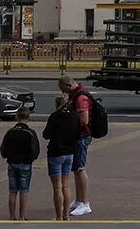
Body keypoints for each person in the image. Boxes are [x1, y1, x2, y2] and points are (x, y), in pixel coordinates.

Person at [59, 75, 93, 216]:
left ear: (68, 85)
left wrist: (69, 126)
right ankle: (79, 201)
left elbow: (84, 120)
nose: (63, 93)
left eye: (63, 90)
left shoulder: (80, 98)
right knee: (76, 168)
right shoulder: (76, 95)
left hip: (82, 136)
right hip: (77, 137)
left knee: (80, 168)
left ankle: (85, 203)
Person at [42, 94, 80, 221]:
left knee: (57, 187)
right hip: (70, 153)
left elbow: (46, 134)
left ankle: (59, 216)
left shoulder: (55, 116)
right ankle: (66, 215)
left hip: (55, 153)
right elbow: (78, 135)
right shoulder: (74, 116)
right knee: (66, 185)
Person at [0, 105, 40, 220]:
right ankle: (22, 216)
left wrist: (8, 155)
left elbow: (3, 149)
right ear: (28, 117)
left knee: (12, 191)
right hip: (26, 164)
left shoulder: (10, 132)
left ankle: (12, 216)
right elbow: (35, 151)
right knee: (24, 191)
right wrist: (30, 159)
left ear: (17, 116)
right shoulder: (30, 133)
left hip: (12, 163)